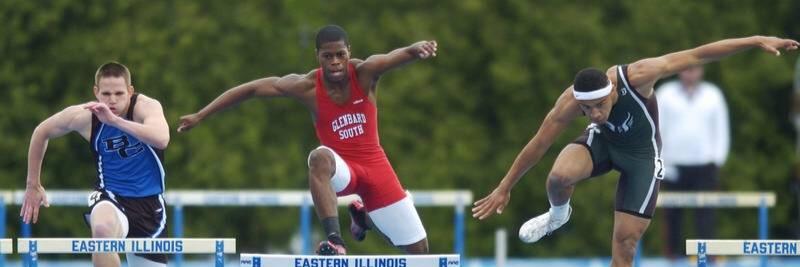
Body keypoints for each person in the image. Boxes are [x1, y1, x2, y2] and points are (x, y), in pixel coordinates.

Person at [472, 36, 798, 266]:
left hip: (642, 157)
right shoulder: (570, 103)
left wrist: (755, 40)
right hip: (604, 143)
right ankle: (558, 215)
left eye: (601, 105)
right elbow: (538, 144)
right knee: (558, 177)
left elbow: (699, 55)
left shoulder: (638, 76)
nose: (594, 113)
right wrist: (504, 187)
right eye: (587, 109)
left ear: (612, 91)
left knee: (625, 244)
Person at [177, 25, 437, 255]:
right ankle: (335, 241)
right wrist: (201, 115)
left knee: (419, 251)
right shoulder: (307, 86)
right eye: (328, 56)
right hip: (341, 170)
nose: (335, 62)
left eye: (340, 55)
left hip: (375, 167)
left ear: (349, 52)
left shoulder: (365, 73)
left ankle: (363, 217)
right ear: (318, 56)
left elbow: (396, 56)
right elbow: (252, 89)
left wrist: (417, 49)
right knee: (319, 157)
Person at [20, 62, 170, 267]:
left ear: (130, 91)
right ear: (96, 92)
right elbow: (41, 132)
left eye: (119, 93)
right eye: (106, 94)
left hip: (149, 206)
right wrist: (33, 184)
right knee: (102, 231)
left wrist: (115, 121)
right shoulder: (85, 116)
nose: (112, 100)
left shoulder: (146, 106)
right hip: (111, 197)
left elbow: (161, 139)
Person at [656, 65, 730, 257]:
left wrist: (717, 161)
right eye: (686, 69)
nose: (690, 73)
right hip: (673, 165)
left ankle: (707, 257)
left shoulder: (713, 95)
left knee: (706, 215)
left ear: (701, 70)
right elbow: (657, 129)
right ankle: (672, 258)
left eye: (694, 69)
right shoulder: (665, 94)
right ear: (679, 70)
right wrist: (661, 163)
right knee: (672, 215)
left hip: (704, 165)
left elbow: (721, 130)